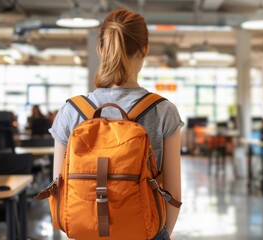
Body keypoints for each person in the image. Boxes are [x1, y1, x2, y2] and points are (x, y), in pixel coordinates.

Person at [48, 9, 183, 239]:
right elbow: (173, 193)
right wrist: (162, 234)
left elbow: (59, 188)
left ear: (100, 49)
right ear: (145, 49)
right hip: (146, 232)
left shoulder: (71, 110)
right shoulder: (163, 110)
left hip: (86, 232)